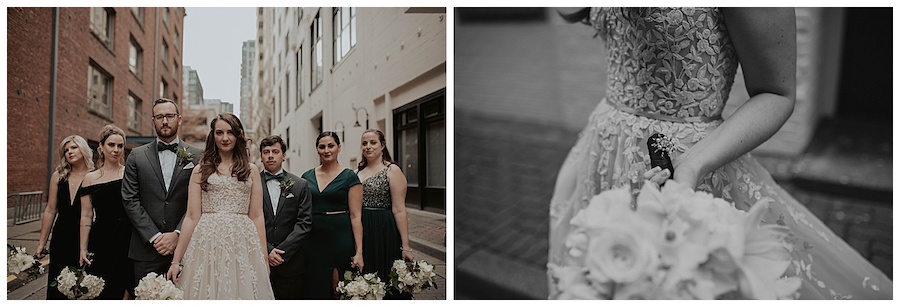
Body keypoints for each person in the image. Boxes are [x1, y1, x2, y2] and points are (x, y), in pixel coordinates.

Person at [548, 7, 892, 299]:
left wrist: (693, 166)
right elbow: (570, 11)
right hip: (600, 152)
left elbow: (776, 92)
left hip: (684, 167)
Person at [166, 113, 274, 299]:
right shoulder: (200, 170)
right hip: (207, 243)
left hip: (242, 244)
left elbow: (257, 216)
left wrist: (263, 257)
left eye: (230, 132)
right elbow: (192, 216)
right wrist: (176, 261)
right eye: (219, 132)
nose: (225, 138)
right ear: (213, 136)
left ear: (238, 135)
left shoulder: (251, 170)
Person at [122, 98, 202, 286]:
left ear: (179, 119)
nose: (165, 121)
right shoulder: (136, 155)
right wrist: (155, 236)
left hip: (185, 248)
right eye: (159, 117)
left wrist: (177, 234)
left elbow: (201, 201)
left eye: (169, 116)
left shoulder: (198, 156)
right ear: (153, 121)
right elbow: (130, 199)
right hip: (145, 250)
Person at [300, 131, 364, 299]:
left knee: (338, 289)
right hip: (313, 238)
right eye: (322, 147)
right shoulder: (307, 176)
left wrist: (359, 252)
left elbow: (356, 216)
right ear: (317, 150)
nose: (326, 150)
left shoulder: (350, 177)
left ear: (339, 148)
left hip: (340, 237)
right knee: (314, 285)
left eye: (331, 146)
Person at [77, 125, 135, 299]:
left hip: (128, 237)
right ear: (101, 147)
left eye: (120, 146)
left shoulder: (130, 175)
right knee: (101, 288)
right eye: (111, 145)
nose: (116, 150)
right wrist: (83, 248)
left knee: (126, 289)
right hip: (101, 237)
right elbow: (86, 215)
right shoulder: (90, 178)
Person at [355, 129, 413, 299]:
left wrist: (406, 246)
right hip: (362, 228)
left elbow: (399, 209)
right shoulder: (356, 172)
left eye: (373, 142)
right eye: (364, 143)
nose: (368, 147)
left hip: (384, 228)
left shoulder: (392, 170)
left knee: (385, 275)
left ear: (382, 145)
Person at [36, 135, 94, 299]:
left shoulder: (95, 175)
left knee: (84, 285)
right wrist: (42, 243)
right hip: (61, 236)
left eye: (73, 147)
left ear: (83, 149)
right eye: (66, 150)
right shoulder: (58, 176)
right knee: (58, 284)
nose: (69, 152)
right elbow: (50, 210)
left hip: (87, 236)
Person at [259, 135, 313, 299]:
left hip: (291, 264)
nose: (270, 155)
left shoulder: (300, 185)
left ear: (284, 155)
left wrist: (282, 252)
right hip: (259, 261)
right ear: (261, 156)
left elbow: (304, 223)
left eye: (275, 151)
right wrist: (267, 250)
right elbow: (248, 220)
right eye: (266, 152)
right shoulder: (251, 184)